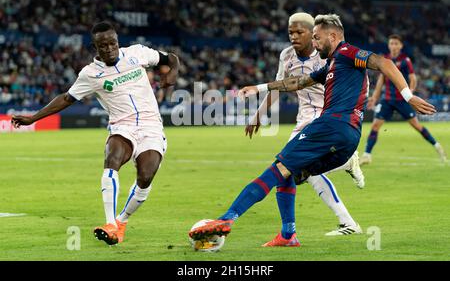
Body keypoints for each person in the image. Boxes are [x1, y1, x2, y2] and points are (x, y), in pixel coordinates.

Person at [189, 14, 435, 245]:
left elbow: (384, 62)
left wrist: (408, 95)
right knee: (290, 174)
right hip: (349, 136)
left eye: (317, 37)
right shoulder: (331, 65)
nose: (315, 44)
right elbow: (297, 82)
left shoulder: (348, 53)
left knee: (277, 169)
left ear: (333, 36)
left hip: (330, 125)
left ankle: (227, 217)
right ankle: (288, 235)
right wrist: (260, 87)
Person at [11, 21, 179, 245]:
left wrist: (172, 74)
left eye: (112, 43)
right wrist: (33, 117)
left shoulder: (137, 53)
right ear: (95, 48)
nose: (109, 48)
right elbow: (66, 98)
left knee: (145, 177)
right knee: (113, 159)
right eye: (103, 45)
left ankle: (121, 222)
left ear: (118, 42)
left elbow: (171, 58)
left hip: (151, 126)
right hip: (122, 126)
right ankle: (109, 223)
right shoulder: (90, 74)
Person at [245, 13, 363, 244]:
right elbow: (279, 87)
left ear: (312, 34)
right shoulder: (286, 56)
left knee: (290, 168)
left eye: (300, 32)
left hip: (326, 115)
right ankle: (292, 232)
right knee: (292, 170)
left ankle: (340, 223)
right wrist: (259, 114)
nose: (294, 37)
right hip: (303, 117)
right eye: (291, 32)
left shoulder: (327, 54)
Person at [360, 34, 447, 165]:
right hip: (387, 100)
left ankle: (437, 145)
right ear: (388, 45)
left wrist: (410, 93)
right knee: (375, 125)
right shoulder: (385, 59)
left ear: (400, 46)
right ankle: (367, 155)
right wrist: (375, 97)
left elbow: (413, 78)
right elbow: (381, 80)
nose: (393, 46)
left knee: (416, 126)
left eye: (396, 43)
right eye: (391, 43)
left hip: (402, 100)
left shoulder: (405, 60)